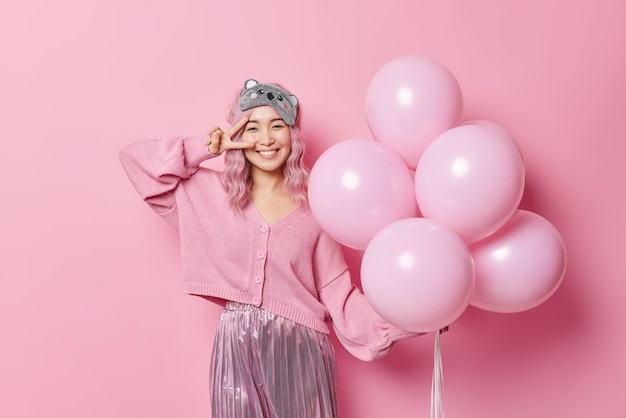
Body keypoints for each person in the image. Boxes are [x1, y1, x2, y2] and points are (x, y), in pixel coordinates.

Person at [119, 79, 420, 418]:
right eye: (252, 127)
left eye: (277, 125)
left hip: (301, 348)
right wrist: (207, 146)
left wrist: (414, 313)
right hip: (236, 347)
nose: (265, 139)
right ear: (237, 132)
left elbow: (340, 296)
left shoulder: (317, 209)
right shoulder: (209, 195)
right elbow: (137, 162)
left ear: (293, 135)